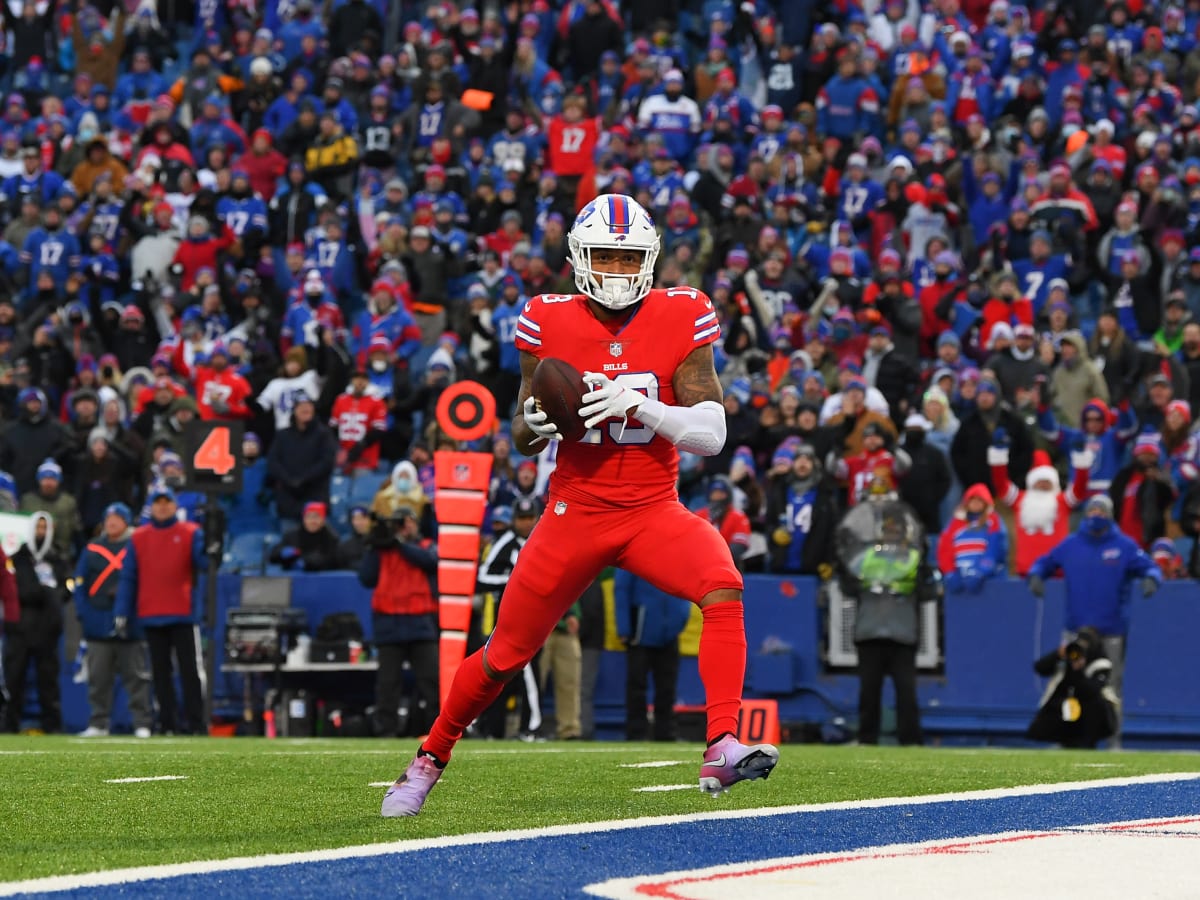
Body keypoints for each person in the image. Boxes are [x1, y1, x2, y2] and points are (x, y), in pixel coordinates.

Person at [383, 193, 778, 817]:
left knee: (722, 583)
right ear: (578, 257)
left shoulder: (683, 312)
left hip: (653, 506)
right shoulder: (546, 318)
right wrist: (536, 420)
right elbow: (519, 429)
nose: (618, 271)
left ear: (649, 260)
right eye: (605, 257)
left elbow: (711, 433)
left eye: (629, 259)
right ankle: (429, 758)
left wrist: (638, 405)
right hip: (577, 509)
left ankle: (721, 743)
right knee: (503, 654)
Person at [1028, 495, 1162, 731]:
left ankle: (1113, 738)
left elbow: (1150, 566)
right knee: (1067, 683)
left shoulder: (1124, 546)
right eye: (1092, 511)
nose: (1096, 516)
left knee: (1110, 687)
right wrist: (1036, 575)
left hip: (1110, 631)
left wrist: (1152, 578)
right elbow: (1044, 562)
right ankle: (1065, 736)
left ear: (1109, 515)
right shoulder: (1071, 545)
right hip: (1076, 630)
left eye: (1101, 512)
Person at [837, 496, 940, 746]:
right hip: (870, 632)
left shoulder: (913, 560)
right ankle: (867, 739)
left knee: (906, 693)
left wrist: (919, 579)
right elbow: (848, 588)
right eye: (888, 530)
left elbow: (929, 594)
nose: (891, 535)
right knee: (868, 693)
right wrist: (850, 576)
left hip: (902, 634)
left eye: (896, 531)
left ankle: (911, 741)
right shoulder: (868, 558)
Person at [114, 484, 207, 736]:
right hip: (152, 613)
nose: (163, 507)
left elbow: (204, 562)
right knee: (160, 674)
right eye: (158, 502)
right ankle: (168, 724)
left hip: (182, 612)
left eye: (167, 502)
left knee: (189, 672)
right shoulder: (139, 537)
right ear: (151, 507)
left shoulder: (190, 532)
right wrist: (122, 609)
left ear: (175, 506)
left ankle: (197, 724)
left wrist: (211, 543)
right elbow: (129, 576)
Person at [72, 503, 152, 738]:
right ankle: (98, 722)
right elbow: (80, 583)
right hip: (97, 620)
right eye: (108, 518)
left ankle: (141, 722)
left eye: (117, 518)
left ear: (126, 522)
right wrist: (84, 613)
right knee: (98, 677)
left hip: (130, 621)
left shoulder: (137, 546)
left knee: (136, 676)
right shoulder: (93, 548)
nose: (112, 523)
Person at [359, 506, 439, 738]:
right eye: (400, 523)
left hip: (419, 622)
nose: (405, 527)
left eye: (408, 522)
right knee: (387, 684)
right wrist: (374, 546)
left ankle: (439, 731)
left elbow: (429, 561)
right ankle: (386, 730)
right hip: (388, 623)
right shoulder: (382, 552)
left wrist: (398, 543)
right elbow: (366, 577)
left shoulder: (424, 547)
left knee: (431, 680)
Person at [475, 496, 544, 740]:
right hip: (502, 621)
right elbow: (481, 578)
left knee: (529, 675)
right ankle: (494, 729)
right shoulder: (504, 543)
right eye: (521, 518)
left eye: (529, 518)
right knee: (500, 676)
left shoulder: (543, 540)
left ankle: (530, 728)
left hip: (534, 621)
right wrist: (512, 581)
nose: (526, 523)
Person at [3, 512, 65, 733]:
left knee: (48, 682)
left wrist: (48, 594)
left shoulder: (56, 558)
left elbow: (63, 590)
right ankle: (8, 726)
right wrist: (45, 592)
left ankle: (53, 726)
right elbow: (19, 590)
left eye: (44, 528)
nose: (41, 532)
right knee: (14, 679)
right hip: (20, 627)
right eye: (37, 527)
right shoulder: (18, 557)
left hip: (47, 629)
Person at [614, 569, 693, 742]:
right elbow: (621, 588)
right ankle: (636, 733)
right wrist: (625, 628)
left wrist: (680, 620)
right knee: (637, 686)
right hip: (640, 633)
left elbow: (687, 589)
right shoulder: (635, 553)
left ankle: (665, 733)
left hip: (669, 634)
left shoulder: (677, 558)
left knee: (667, 687)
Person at [1026, 626, 1119, 749]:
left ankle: (1087, 743)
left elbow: (1092, 690)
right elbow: (1040, 668)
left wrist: (1078, 671)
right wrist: (1058, 655)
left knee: (1095, 705)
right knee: (1064, 705)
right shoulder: (1069, 655)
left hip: (1088, 708)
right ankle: (1062, 740)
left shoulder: (1101, 662)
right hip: (1064, 705)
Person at [269, 501, 342, 571]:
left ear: (323, 520)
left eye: (316, 517)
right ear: (303, 519)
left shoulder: (331, 538)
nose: (312, 521)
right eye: (308, 517)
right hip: (292, 578)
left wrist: (306, 562)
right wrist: (281, 553)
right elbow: (273, 557)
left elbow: (331, 561)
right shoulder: (291, 535)